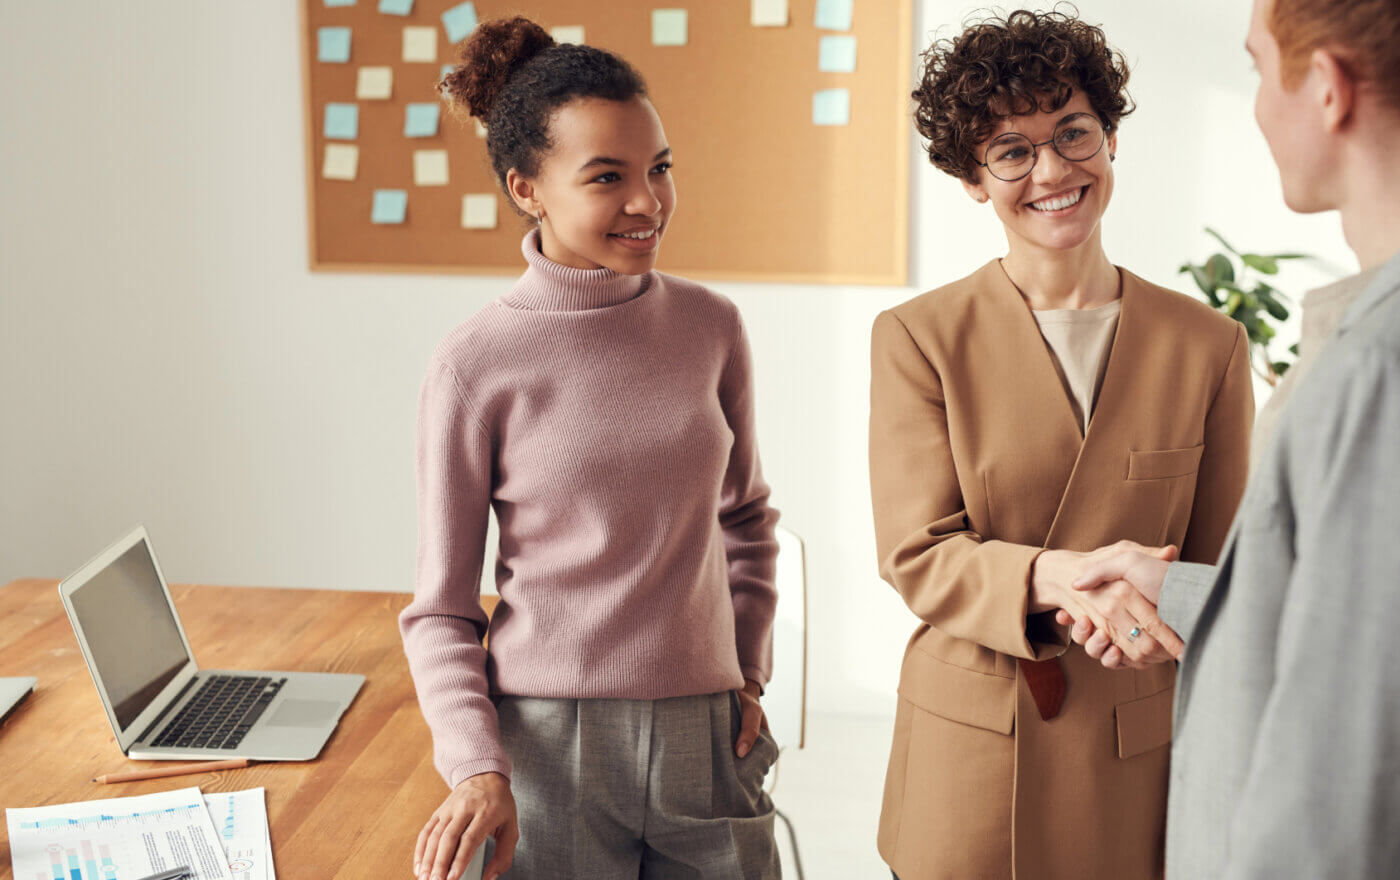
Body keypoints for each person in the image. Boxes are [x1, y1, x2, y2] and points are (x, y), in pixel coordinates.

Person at [868, 10, 1253, 879]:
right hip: (971, 757)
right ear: (972, 177)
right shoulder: (918, 337)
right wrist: (1057, 577)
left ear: (1110, 137)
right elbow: (916, 556)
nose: (1051, 171)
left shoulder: (1209, 346)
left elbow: (1221, 577)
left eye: (1072, 133)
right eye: (1011, 150)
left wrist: (1167, 625)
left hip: (1132, 752)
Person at [399, 17, 782, 880]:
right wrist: (475, 766)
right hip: (548, 745)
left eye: (660, 169)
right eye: (607, 177)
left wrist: (747, 674)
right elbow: (441, 610)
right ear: (528, 187)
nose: (647, 201)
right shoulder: (474, 363)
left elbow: (747, 519)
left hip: (705, 727)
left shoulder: (710, 326)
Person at [1061, 0, 1400, 875]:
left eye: (1257, 68)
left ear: (1326, 89)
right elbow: (1342, 616)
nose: (1255, 105)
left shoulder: (1374, 371)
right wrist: (1174, 590)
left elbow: (1344, 757)